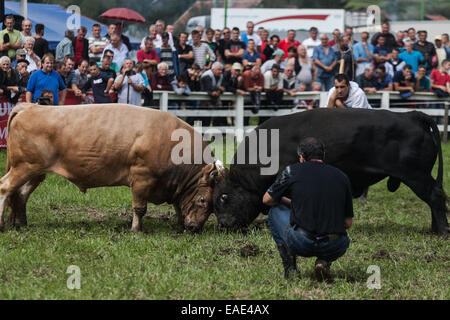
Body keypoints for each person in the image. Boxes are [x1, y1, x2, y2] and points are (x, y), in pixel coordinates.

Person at [263, 137, 353, 281]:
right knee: (340, 236)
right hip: (335, 245)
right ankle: (324, 262)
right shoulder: (342, 177)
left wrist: (290, 203)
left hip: (301, 242)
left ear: (301, 157)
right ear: (323, 156)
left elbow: (267, 199)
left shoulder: (291, 171)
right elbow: (348, 223)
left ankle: (290, 269)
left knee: (274, 211)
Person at [200, 61, 225, 126]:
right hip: (203, 100)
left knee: (217, 118)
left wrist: (219, 90)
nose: (220, 72)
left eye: (221, 70)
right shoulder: (207, 75)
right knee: (204, 119)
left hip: (214, 98)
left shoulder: (221, 76)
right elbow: (208, 87)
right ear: (213, 69)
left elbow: (224, 87)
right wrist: (219, 88)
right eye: (218, 70)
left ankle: (215, 135)